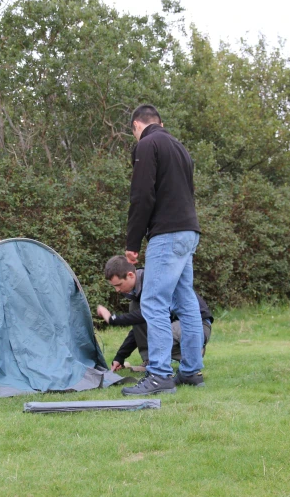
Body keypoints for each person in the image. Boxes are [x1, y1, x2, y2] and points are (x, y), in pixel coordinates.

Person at [121, 104, 204, 396]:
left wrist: (132, 244)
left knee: (153, 301)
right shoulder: (180, 148)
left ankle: (159, 375)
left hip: (167, 234)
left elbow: (142, 195)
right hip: (189, 231)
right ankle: (192, 371)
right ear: (160, 122)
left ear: (136, 126)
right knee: (186, 301)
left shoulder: (147, 144)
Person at [96, 256, 212, 373]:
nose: (117, 290)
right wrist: (120, 357)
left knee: (157, 335)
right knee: (137, 310)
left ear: (130, 275)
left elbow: (147, 313)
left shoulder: (155, 282)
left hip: (198, 325)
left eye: (119, 285)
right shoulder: (139, 294)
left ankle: (193, 350)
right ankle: (154, 362)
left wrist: (113, 319)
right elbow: (138, 328)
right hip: (174, 325)